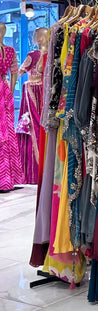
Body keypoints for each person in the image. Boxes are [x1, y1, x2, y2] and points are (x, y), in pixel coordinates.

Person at [16, 26, 49, 184]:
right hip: (45, 90)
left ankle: (33, 170)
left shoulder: (32, 54)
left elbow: (20, 71)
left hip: (31, 91)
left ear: (38, 39)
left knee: (31, 128)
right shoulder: (49, 54)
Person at [0, 22, 24, 192]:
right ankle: (7, 177)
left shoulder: (10, 51)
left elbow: (15, 71)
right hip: (5, 88)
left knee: (5, 131)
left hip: (4, 90)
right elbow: (14, 73)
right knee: (6, 131)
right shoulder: (10, 51)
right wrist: (9, 87)